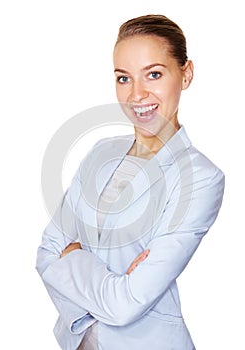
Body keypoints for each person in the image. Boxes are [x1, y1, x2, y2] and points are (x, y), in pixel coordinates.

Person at [36, 14, 225, 349]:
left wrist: (74, 255)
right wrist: (112, 282)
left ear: (186, 74)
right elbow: (46, 255)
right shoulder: (100, 153)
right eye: (124, 79)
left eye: (153, 74)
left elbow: (126, 305)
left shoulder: (201, 179)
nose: (137, 94)